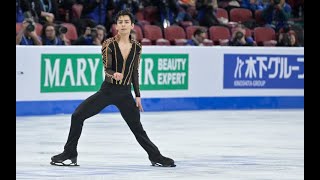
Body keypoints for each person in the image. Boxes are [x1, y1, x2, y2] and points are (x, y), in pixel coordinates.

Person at [50, 9, 176, 167]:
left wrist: (137, 95)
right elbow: (107, 69)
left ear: (132, 25)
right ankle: (70, 152)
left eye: (126, 22)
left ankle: (155, 156)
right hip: (107, 91)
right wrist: (113, 74)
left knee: (138, 129)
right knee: (77, 116)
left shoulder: (137, 47)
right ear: (116, 25)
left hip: (125, 94)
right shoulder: (108, 44)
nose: (123, 25)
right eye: (120, 22)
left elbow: (134, 72)